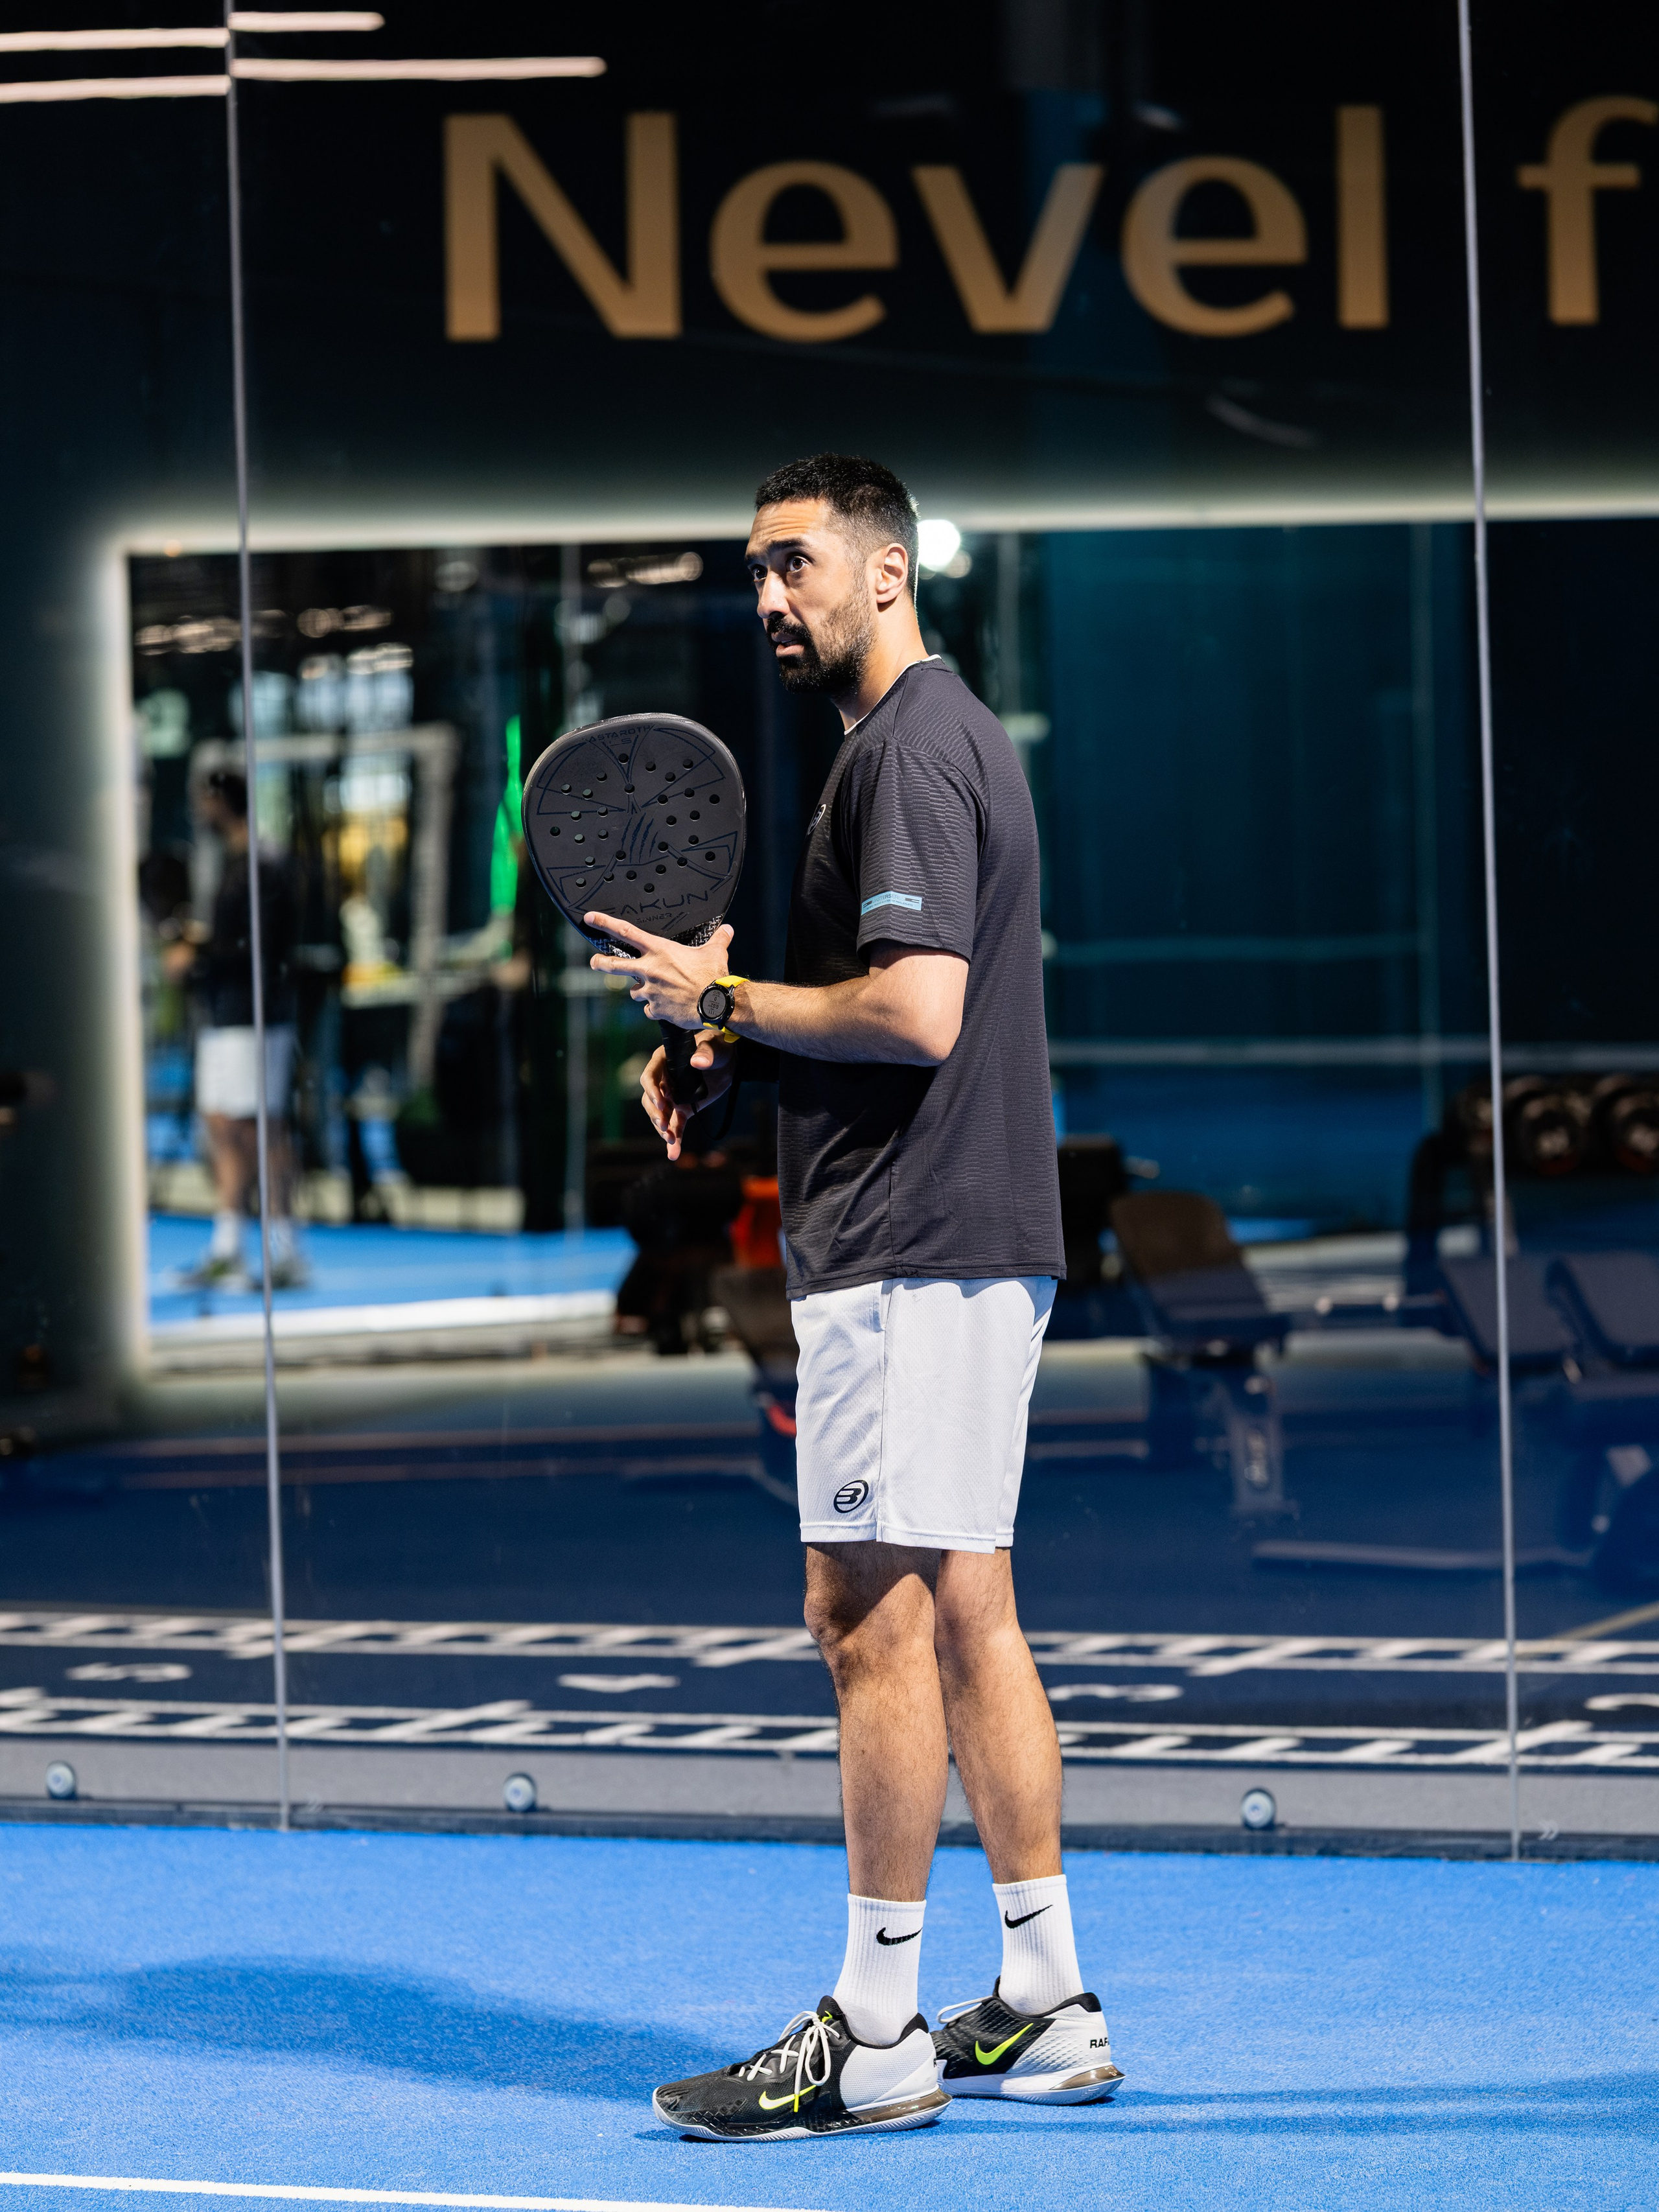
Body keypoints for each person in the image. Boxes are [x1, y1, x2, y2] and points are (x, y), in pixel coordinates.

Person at [585, 454, 1122, 2141]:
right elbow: (874, 1018)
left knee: (864, 1616)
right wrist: (726, 1050)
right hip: (950, 1227)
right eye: (754, 569)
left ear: (887, 572)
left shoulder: (905, 755)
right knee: (966, 1604)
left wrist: (721, 986)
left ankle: (877, 2027)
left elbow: (918, 1013)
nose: (768, 596)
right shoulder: (931, 746)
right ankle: (1042, 1993)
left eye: (795, 564)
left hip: (916, 1242)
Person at [164, 769, 307, 1289]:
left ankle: (286, 1251)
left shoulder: (265, 865)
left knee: (260, 1126)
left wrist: (197, 953)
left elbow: (261, 945)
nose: (201, 810)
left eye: (206, 800)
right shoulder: (233, 863)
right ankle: (228, 1248)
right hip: (223, 1013)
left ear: (223, 802)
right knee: (221, 1123)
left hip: (258, 1013)